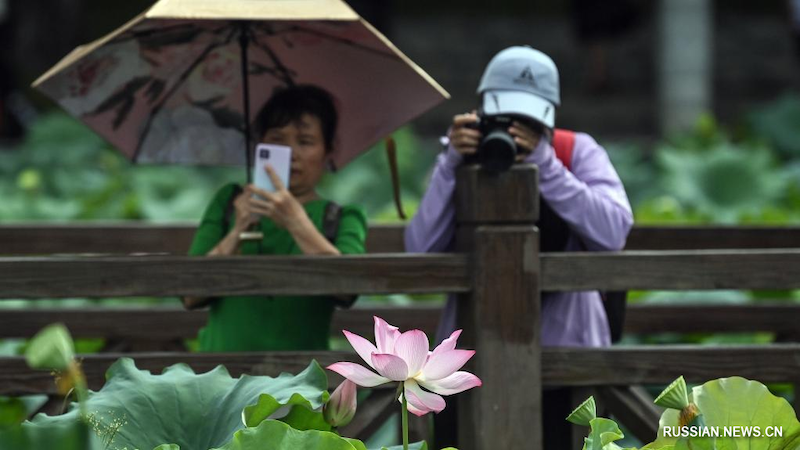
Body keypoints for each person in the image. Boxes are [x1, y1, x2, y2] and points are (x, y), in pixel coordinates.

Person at [404, 46, 634, 448]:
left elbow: (614, 232)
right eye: (504, 119)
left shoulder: (574, 151)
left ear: (550, 115)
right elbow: (419, 251)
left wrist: (546, 165)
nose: (514, 132)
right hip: (469, 364)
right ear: (481, 112)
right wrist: (450, 164)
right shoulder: (459, 155)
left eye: (528, 121)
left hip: (568, 358)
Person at [183, 85, 368, 352]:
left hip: (300, 380)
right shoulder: (229, 202)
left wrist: (296, 221)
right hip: (220, 375)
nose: (290, 153)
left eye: (304, 142)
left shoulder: (341, 217)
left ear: (328, 152)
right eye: (277, 140)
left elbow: (348, 289)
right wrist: (237, 231)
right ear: (259, 147)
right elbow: (190, 295)